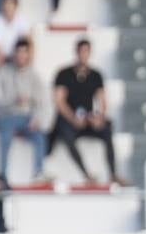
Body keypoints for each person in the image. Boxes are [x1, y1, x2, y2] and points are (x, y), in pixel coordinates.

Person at [51, 38, 121, 185]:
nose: (84, 55)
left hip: (88, 119)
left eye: (86, 51)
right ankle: (86, 175)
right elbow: (59, 101)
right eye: (81, 51)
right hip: (70, 120)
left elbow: (102, 101)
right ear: (76, 52)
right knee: (66, 133)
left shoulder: (96, 75)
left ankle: (113, 174)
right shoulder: (64, 74)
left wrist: (98, 118)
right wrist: (72, 118)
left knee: (107, 129)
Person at [0, 38, 49, 182]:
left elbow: (41, 102)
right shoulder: (2, 72)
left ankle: (39, 172)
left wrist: (36, 118)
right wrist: (14, 100)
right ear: (14, 54)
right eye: (18, 53)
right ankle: (3, 175)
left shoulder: (34, 75)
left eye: (24, 53)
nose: (21, 56)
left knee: (39, 135)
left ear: (28, 55)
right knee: (6, 137)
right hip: (7, 116)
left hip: (26, 118)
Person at [0, 0, 31, 69]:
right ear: (1, 6)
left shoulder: (22, 20)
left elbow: (27, 41)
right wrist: (0, 63)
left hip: (16, 58)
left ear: (16, 6)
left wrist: (28, 61)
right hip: (0, 58)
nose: (7, 7)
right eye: (5, 4)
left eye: (10, 4)